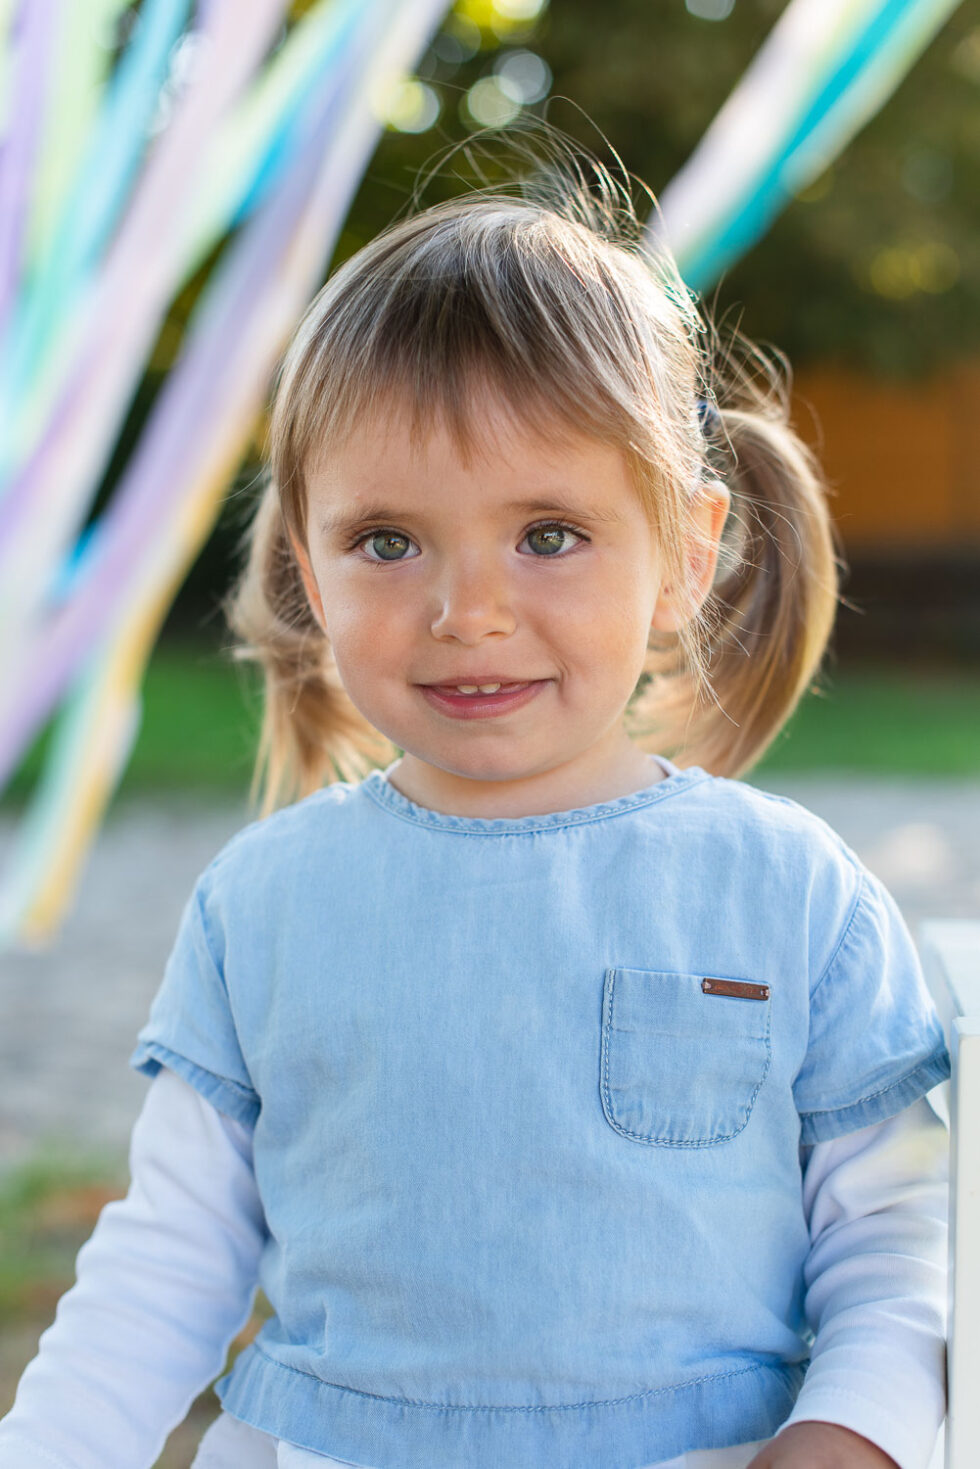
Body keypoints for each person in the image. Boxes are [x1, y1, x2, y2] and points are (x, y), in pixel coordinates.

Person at [0, 157, 950, 1469]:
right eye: (388, 540)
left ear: (685, 553)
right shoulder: (261, 904)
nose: (470, 610)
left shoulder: (787, 888)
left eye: (548, 533)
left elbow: (900, 1231)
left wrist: (853, 1432)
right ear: (311, 572)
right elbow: (166, 1265)